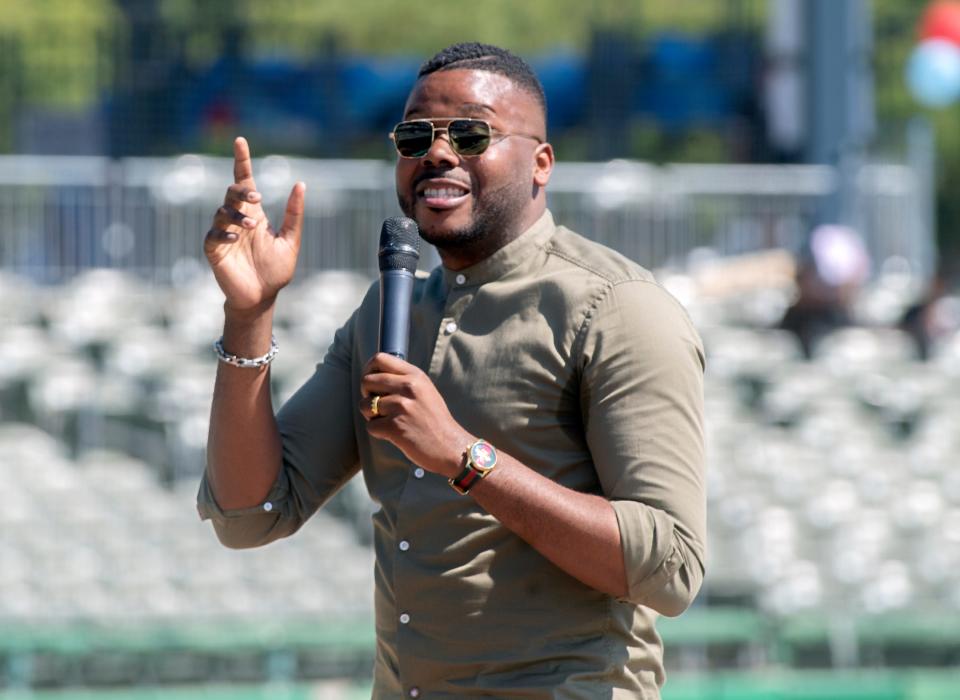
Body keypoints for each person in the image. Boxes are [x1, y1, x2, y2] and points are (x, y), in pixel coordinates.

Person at [197, 42, 705, 699]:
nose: (437, 153)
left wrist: (465, 458)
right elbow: (250, 514)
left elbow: (669, 567)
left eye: (471, 134)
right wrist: (250, 314)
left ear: (541, 163)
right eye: (415, 136)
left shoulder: (618, 308)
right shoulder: (388, 309)